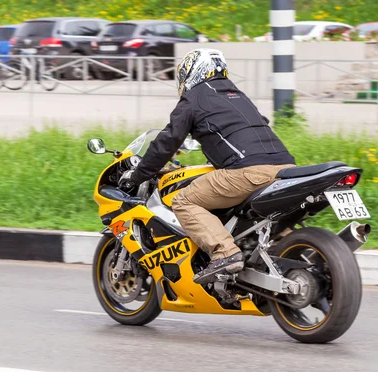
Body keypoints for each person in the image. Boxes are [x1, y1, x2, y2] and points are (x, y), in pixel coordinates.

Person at [119, 48, 296, 285]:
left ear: (192, 72)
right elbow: (244, 132)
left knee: (183, 200)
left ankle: (224, 252)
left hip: (248, 172)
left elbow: (167, 141)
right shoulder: (237, 95)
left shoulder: (194, 99)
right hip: (284, 169)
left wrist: (138, 176)